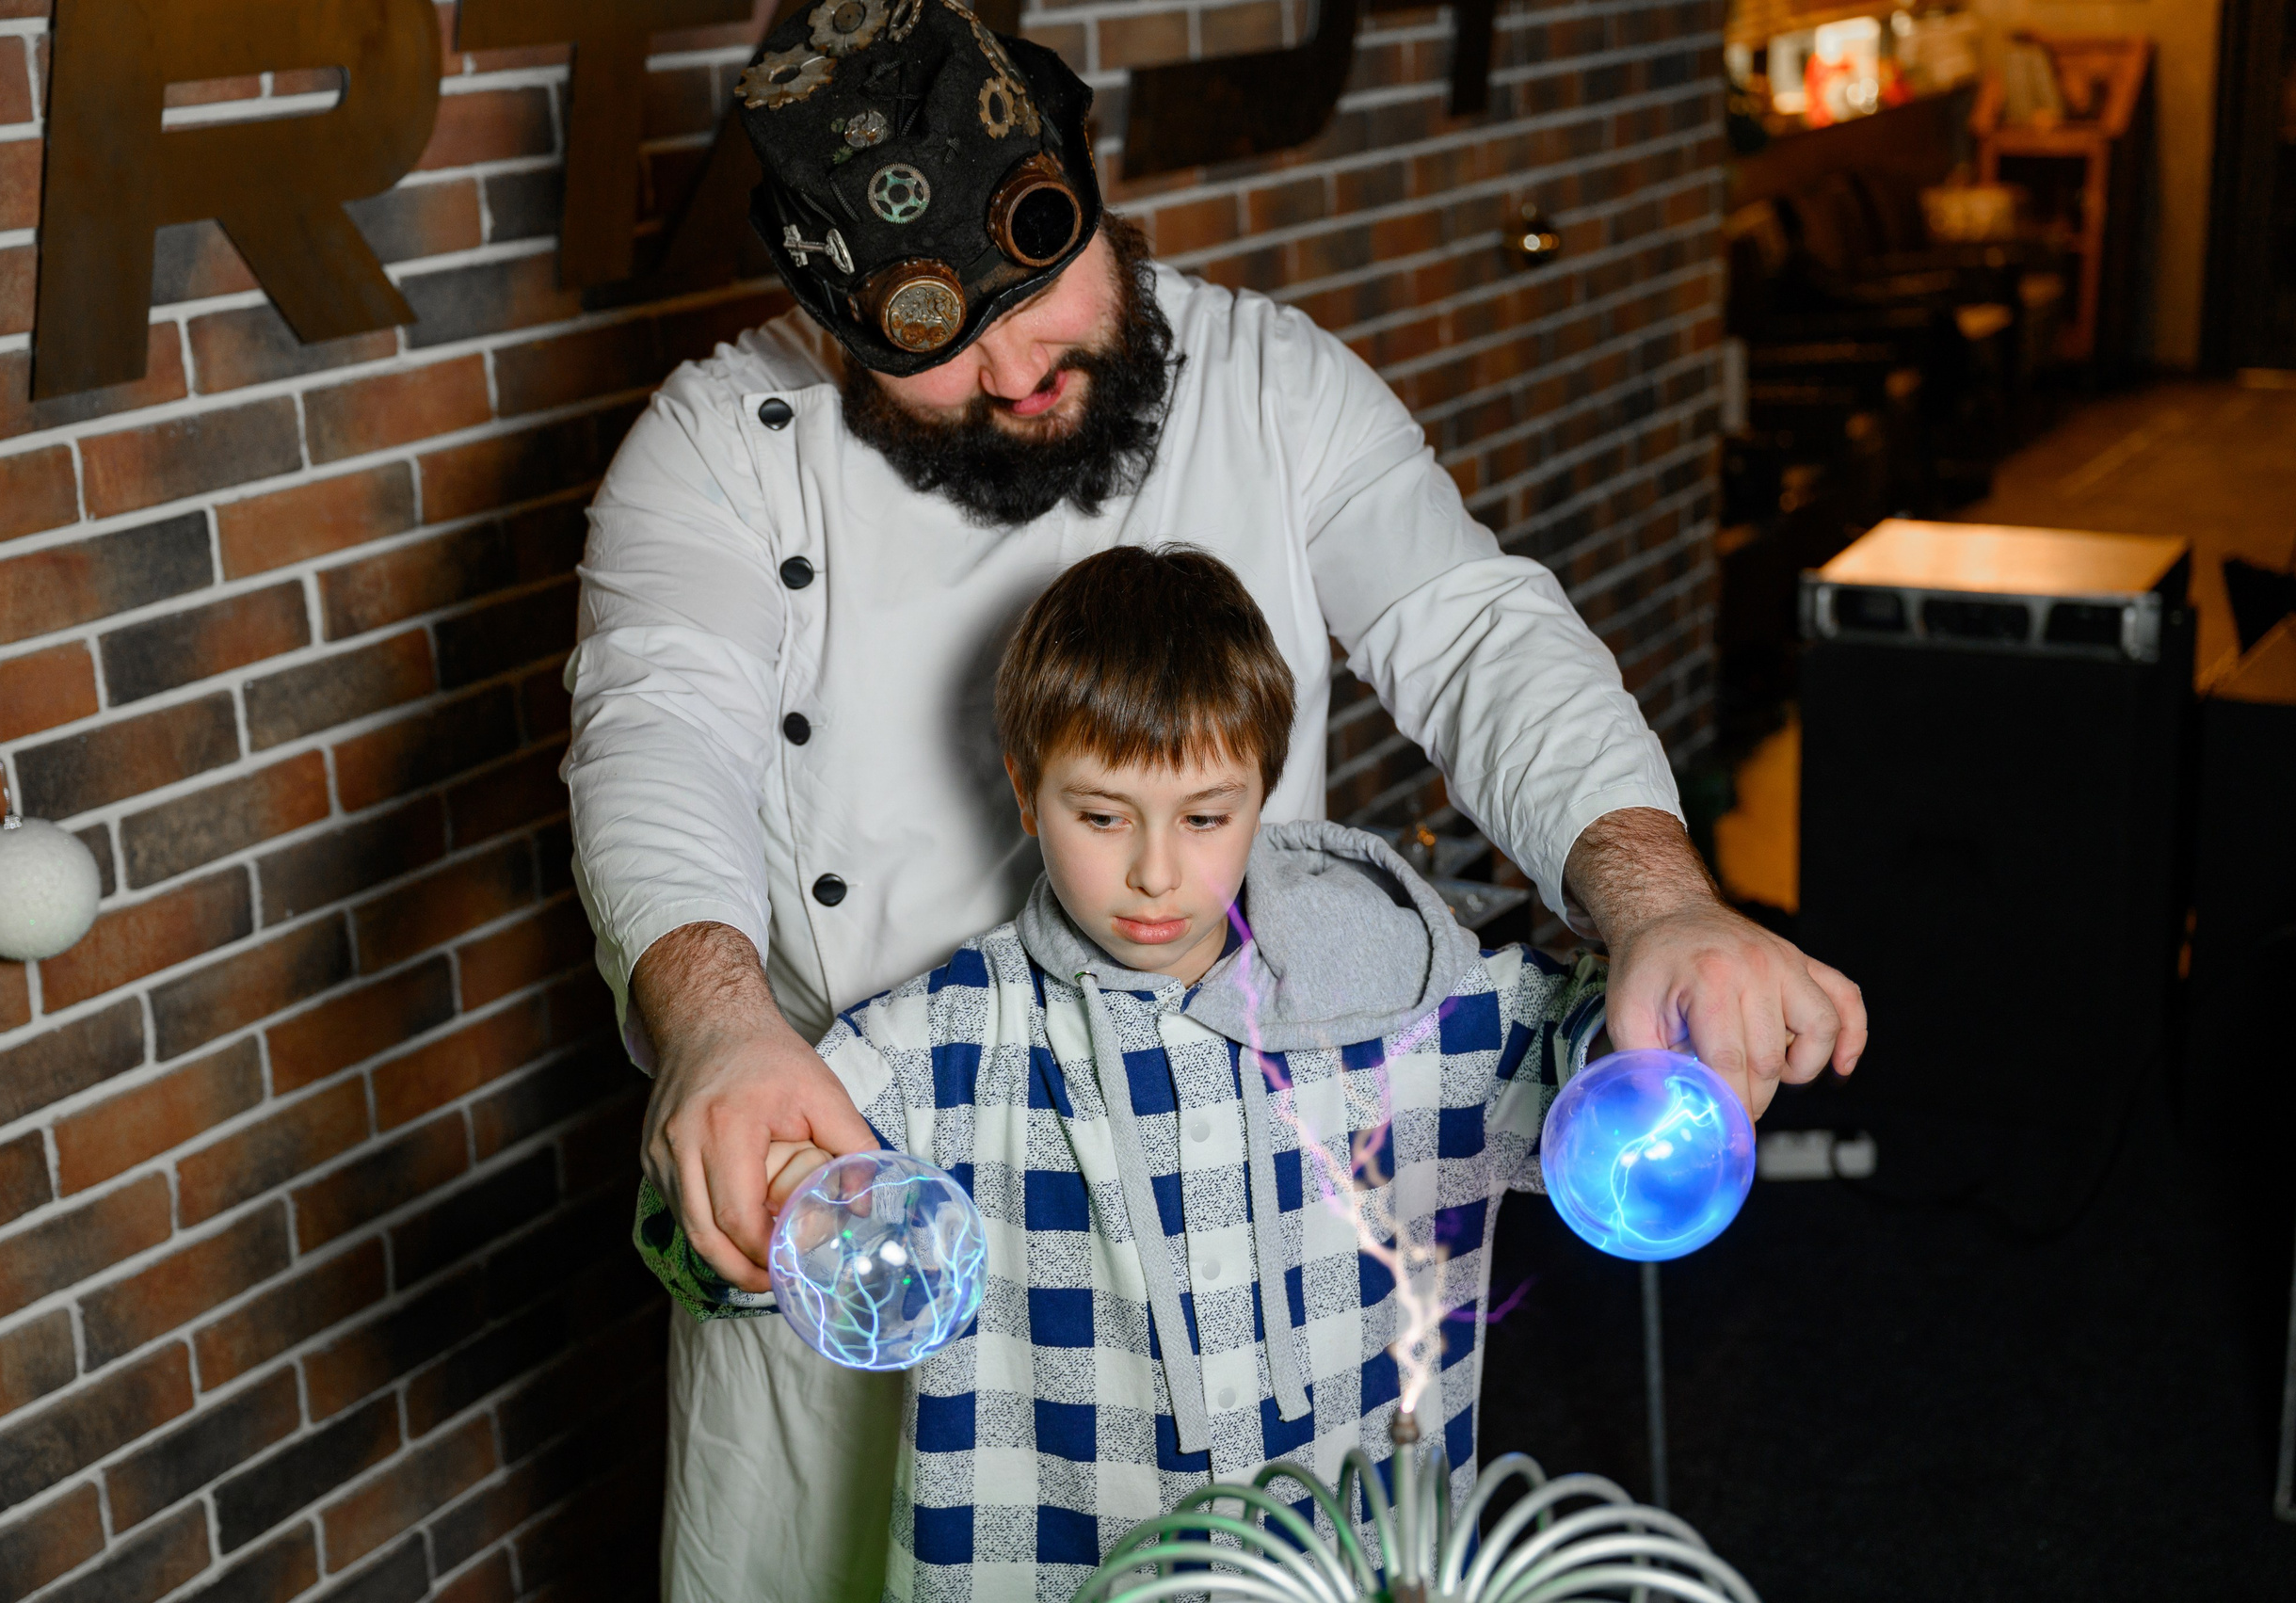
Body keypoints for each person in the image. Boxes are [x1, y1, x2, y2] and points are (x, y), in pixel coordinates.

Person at [562, 4, 1865, 1597]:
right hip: (868, 1191)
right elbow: (658, 730)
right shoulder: (711, 451)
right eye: (944, 344)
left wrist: (1658, 898)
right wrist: (716, 1019)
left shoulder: (1276, 384)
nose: (1021, 369)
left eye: (1044, 292)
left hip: (1256, 1229)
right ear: (835, 326)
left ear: (1086, 184)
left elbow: (1475, 635)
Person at [635, 547, 1612, 1598]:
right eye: (1101, 815)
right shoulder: (932, 1049)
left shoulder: (1409, 999)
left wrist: (1663, 1025)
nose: (1154, 871)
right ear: (1025, 790)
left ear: (1261, 793)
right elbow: (723, 1233)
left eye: (1205, 816)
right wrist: (766, 1197)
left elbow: (1589, 1058)